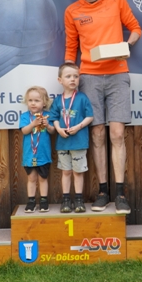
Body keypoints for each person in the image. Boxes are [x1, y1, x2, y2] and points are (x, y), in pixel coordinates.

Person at [64, 0, 142, 215]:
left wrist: (127, 46)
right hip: (89, 77)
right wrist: (68, 75)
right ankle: (102, 192)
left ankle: (120, 194)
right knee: (97, 134)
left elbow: (135, 28)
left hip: (118, 73)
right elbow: (71, 48)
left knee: (117, 134)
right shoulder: (72, 11)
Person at [49, 63, 94, 213]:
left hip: (79, 142)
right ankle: (66, 200)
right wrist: (58, 129)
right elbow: (54, 118)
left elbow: (90, 116)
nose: (73, 79)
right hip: (63, 143)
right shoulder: (57, 100)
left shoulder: (82, 97)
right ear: (60, 80)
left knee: (78, 172)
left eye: (76, 76)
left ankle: (79, 200)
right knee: (66, 172)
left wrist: (78, 127)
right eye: (68, 76)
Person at [19, 86, 55, 213]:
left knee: (43, 178)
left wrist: (48, 125)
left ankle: (44, 201)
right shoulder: (25, 116)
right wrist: (33, 124)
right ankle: (31, 201)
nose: (33, 103)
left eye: (37, 100)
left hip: (43, 154)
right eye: (30, 100)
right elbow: (24, 131)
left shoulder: (47, 116)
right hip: (29, 154)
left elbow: (52, 131)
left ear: (44, 103)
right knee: (31, 178)